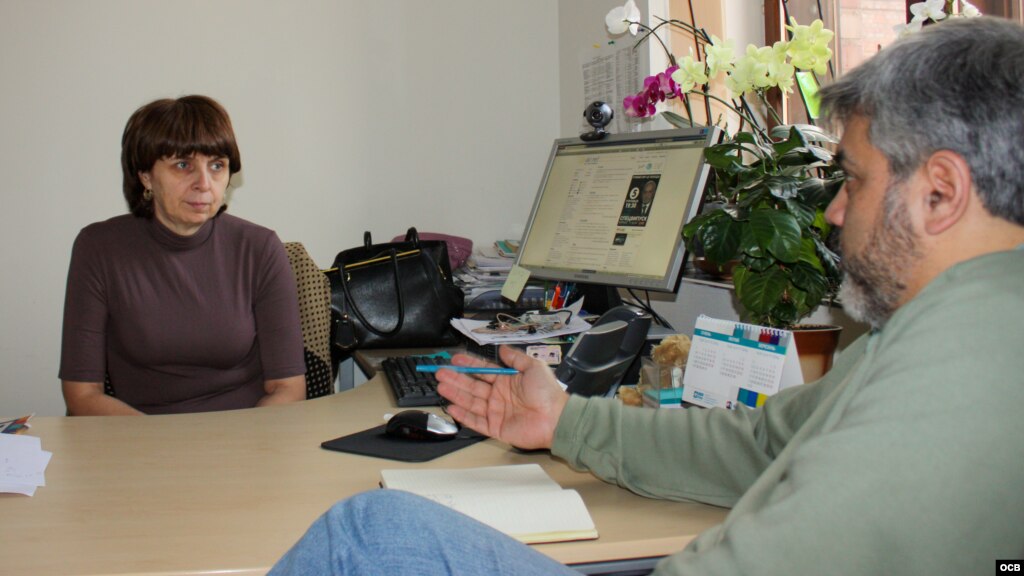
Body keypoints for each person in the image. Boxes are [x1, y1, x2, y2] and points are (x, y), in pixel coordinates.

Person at [269, 17, 1024, 575]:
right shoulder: (941, 331)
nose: (832, 210)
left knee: (368, 538)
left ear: (941, 191)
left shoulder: (961, 368)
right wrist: (567, 421)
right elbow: (762, 446)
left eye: (852, 180)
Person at [59, 95, 307, 415]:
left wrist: (241, 440)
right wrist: (159, 441)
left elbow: (288, 388)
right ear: (146, 175)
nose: (204, 183)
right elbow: (81, 394)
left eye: (216, 165)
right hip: (138, 433)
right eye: (183, 165)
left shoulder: (260, 249)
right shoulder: (99, 249)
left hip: (245, 430)